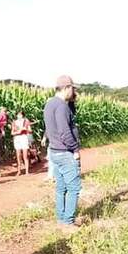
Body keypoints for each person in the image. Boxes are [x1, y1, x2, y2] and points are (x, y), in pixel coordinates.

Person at [43, 75, 82, 232]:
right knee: (73, 187)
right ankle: (68, 222)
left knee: (61, 187)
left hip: (54, 152)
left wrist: (71, 103)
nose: (73, 92)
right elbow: (65, 132)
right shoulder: (61, 106)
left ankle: (61, 218)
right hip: (65, 152)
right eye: (72, 89)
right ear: (66, 88)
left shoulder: (49, 104)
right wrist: (75, 150)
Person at [11, 110, 32, 176]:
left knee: (25, 155)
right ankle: (19, 171)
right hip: (17, 138)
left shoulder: (26, 121)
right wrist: (18, 132)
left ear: (23, 115)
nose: (19, 116)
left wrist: (26, 130)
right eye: (18, 114)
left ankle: (27, 171)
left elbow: (30, 130)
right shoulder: (14, 122)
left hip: (24, 137)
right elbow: (12, 133)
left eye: (20, 114)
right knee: (18, 155)